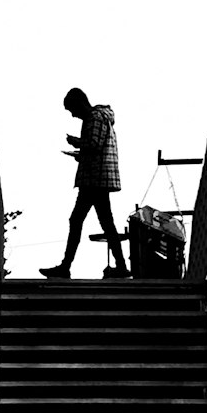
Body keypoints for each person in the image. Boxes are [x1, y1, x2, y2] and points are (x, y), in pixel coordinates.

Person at [40, 88, 131, 279]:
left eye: (72, 109)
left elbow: (94, 145)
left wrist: (77, 143)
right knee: (106, 223)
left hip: (94, 179)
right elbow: (96, 147)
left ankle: (65, 267)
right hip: (98, 177)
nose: (73, 115)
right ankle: (120, 266)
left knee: (78, 220)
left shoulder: (94, 118)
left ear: (80, 103)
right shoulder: (100, 117)